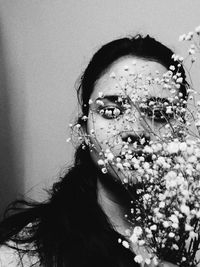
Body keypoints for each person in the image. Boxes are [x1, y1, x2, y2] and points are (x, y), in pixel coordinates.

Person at [0, 35, 188, 267]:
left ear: (180, 136)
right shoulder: (24, 255)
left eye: (159, 114)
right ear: (83, 132)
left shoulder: (187, 233)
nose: (136, 131)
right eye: (111, 111)